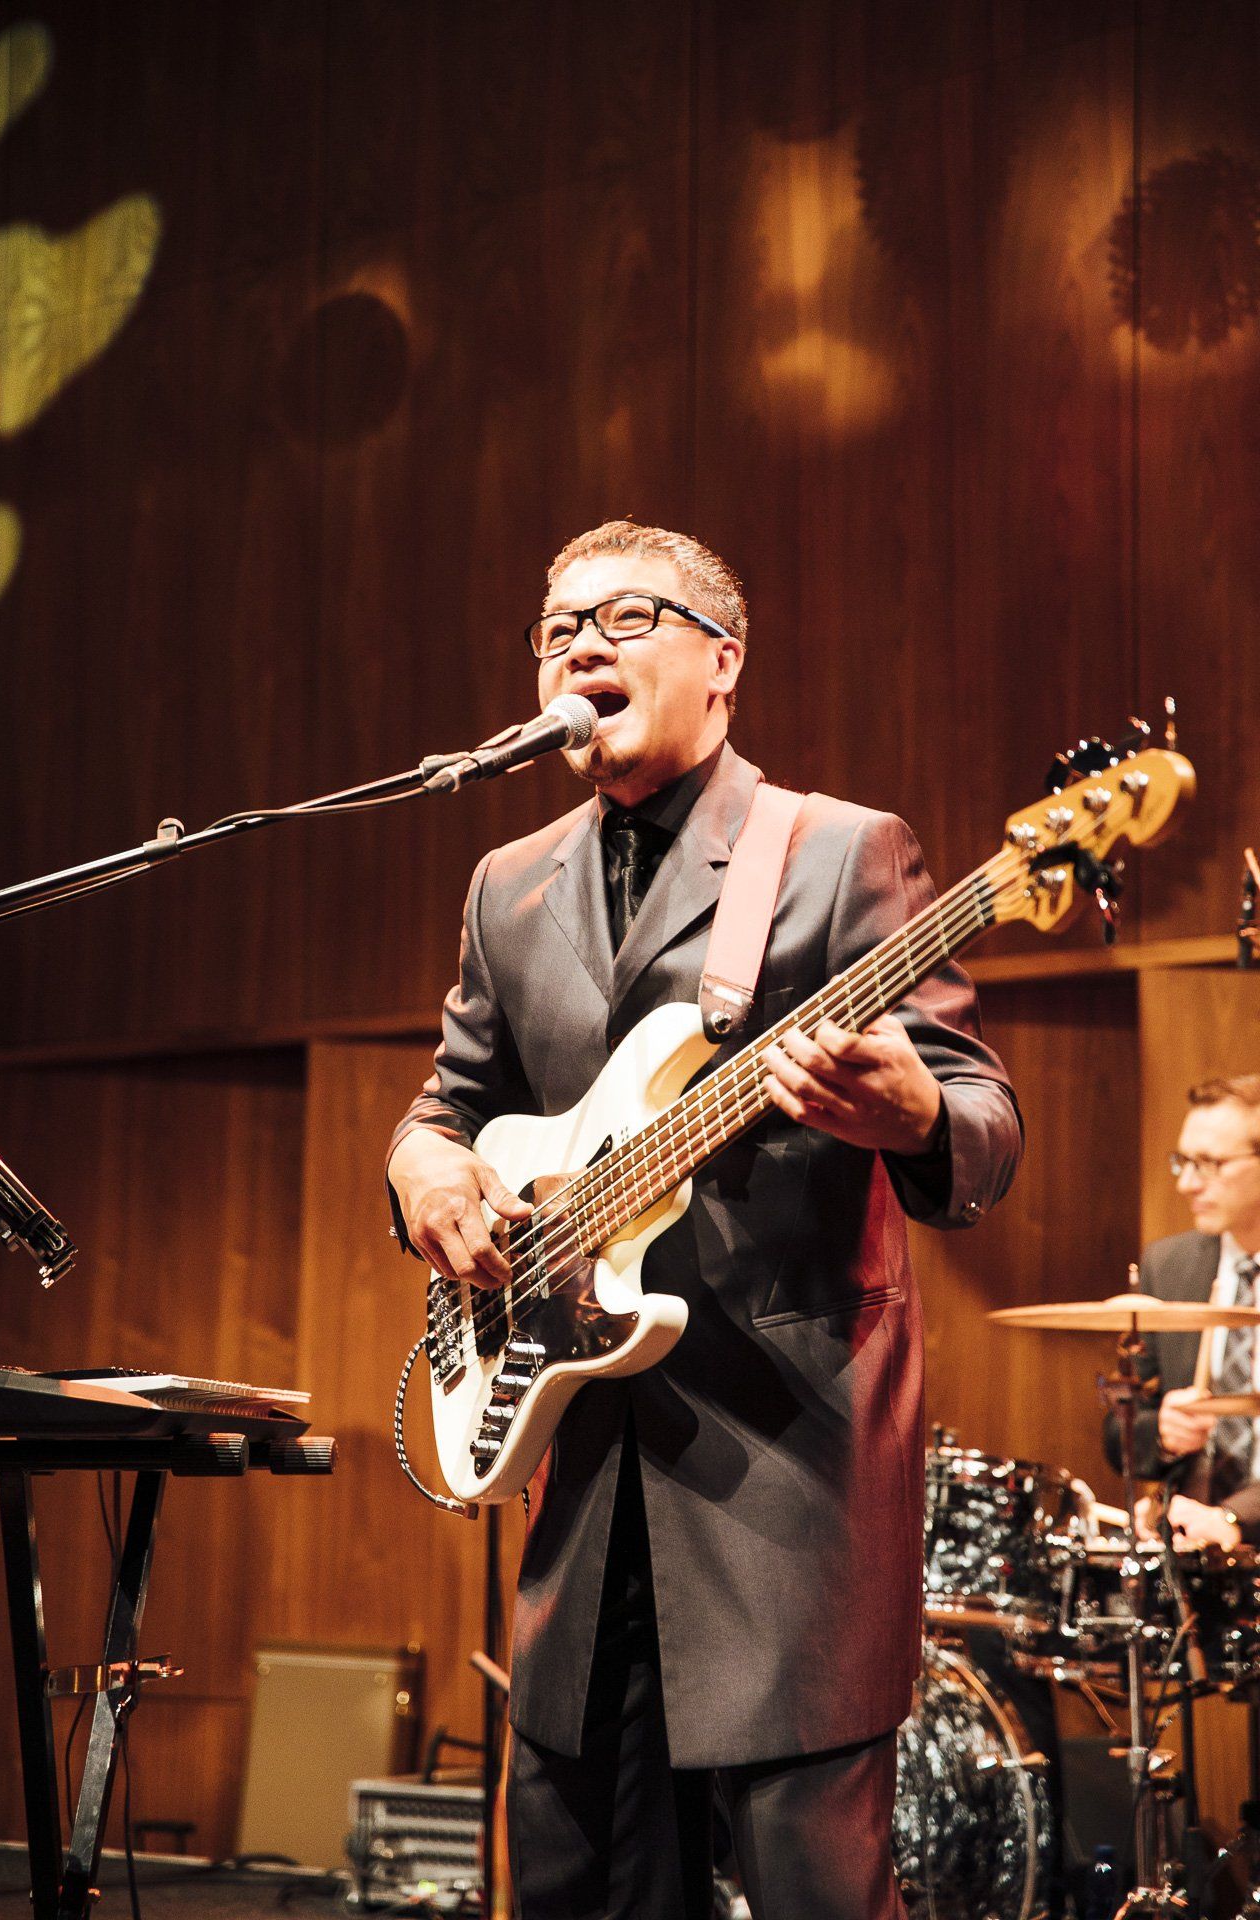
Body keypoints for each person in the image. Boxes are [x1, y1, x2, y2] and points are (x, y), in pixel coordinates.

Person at [386, 521, 1023, 1920]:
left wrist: (914, 1112)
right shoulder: (509, 882)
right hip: (581, 1476)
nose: (581, 646)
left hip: (783, 1484)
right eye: (558, 627)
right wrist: (426, 1177)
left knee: (813, 1894)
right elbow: (449, 1107)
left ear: (723, 660)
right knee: (578, 1885)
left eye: (625, 618)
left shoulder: (839, 850)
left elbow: (982, 1118)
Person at [1106, 1075, 1260, 1550]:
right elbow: (1118, 1431)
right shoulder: (1169, 1266)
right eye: (1184, 1162)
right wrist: (1162, 1434)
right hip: (1196, 1549)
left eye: (1209, 1164)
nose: (1186, 1183)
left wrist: (1236, 1518)